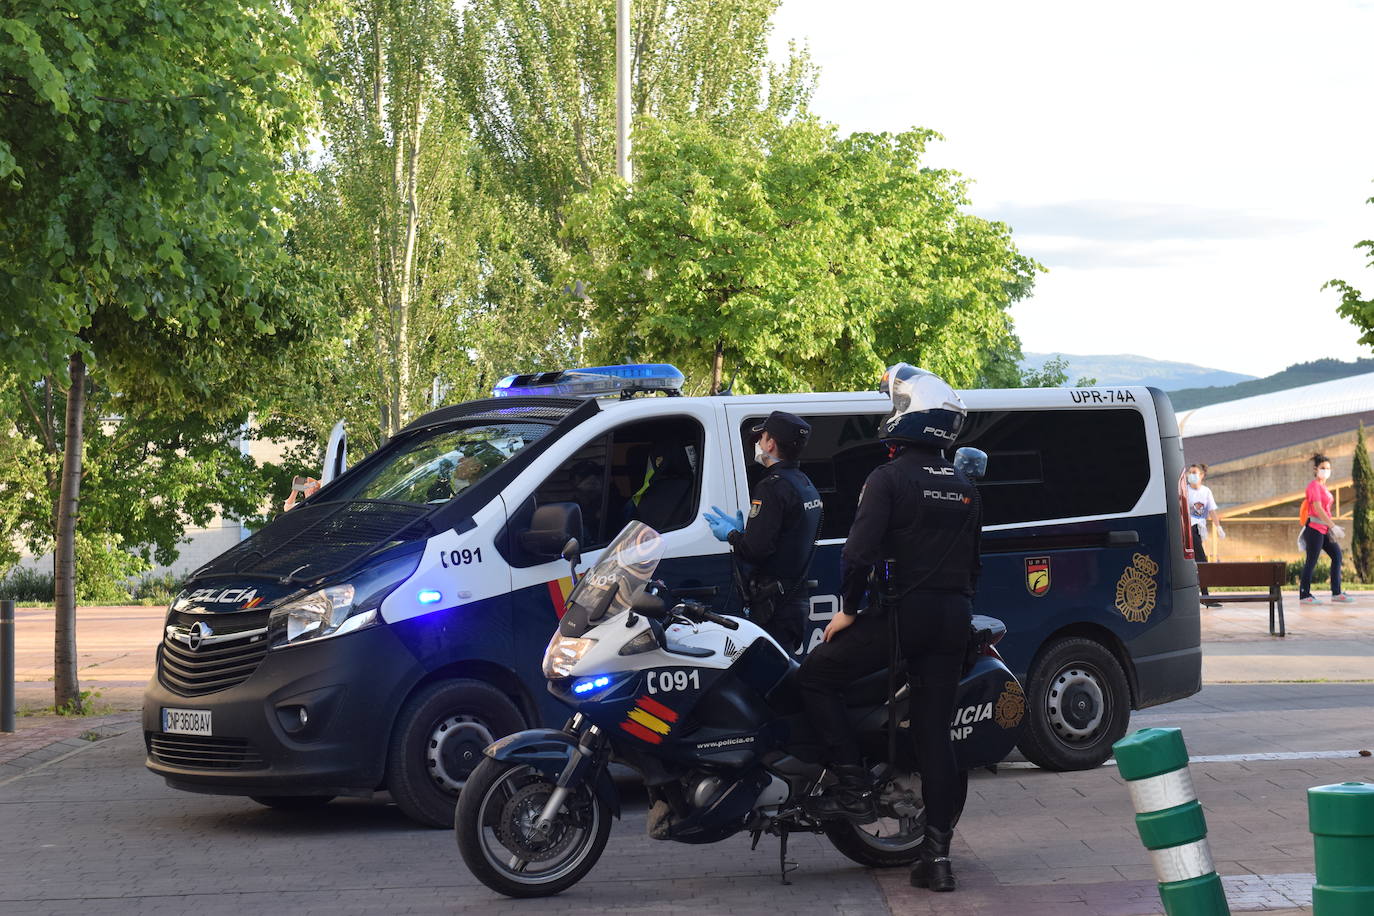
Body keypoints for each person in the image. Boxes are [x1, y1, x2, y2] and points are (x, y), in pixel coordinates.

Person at [794, 364, 980, 894]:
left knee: (816, 676)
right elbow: (975, 566)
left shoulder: (888, 478)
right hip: (953, 618)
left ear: (910, 415)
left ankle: (850, 780)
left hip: (902, 616)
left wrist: (848, 609)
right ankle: (937, 861)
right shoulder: (966, 485)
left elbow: (857, 556)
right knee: (934, 738)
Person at [702, 411, 822, 654]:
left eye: (762, 437)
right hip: (794, 599)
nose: (758, 443)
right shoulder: (804, 483)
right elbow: (787, 536)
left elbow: (755, 551)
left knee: (769, 682)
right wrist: (749, 531)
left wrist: (733, 535)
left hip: (775, 606)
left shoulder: (772, 486)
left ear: (770, 443)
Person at [1300, 453, 1353, 605]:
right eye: (1323, 468)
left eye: (1328, 468)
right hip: (1314, 529)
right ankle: (1304, 595)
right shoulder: (1314, 486)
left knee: (1337, 556)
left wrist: (1330, 526)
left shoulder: (1323, 487)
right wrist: (1333, 525)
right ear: (1316, 469)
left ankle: (1336, 593)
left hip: (1324, 529)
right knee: (1311, 561)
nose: (1326, 471)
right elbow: (1317, 508)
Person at [1185, 464, 1226, 608]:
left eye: (1194, 472)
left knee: (1198, 562)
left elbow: (1212, 510)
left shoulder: (1206, 491)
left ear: (1202, 475)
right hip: (1189, 528)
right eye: (1189, 472)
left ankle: (1204, 595)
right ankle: (1206, 597)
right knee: (1201, 561)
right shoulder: (1185, 490)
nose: (1191, 475)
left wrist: (1218, 526)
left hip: (1199, 529)